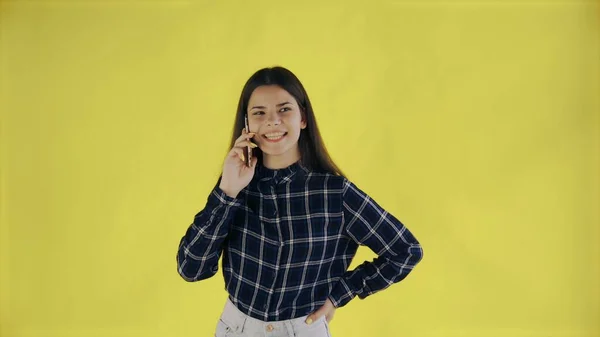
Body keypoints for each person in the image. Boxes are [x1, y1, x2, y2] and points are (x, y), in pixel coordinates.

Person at [176, 66, 424, 337]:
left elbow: (406, 250)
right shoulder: (235, 185)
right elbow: (191, 269)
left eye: (284, 110)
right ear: (246, 124)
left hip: (302, 330)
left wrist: (338, 296)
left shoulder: (335, 192)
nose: (272, 122)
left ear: (303, 117)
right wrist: (226, 192)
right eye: (259, 113)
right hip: (237, 328)